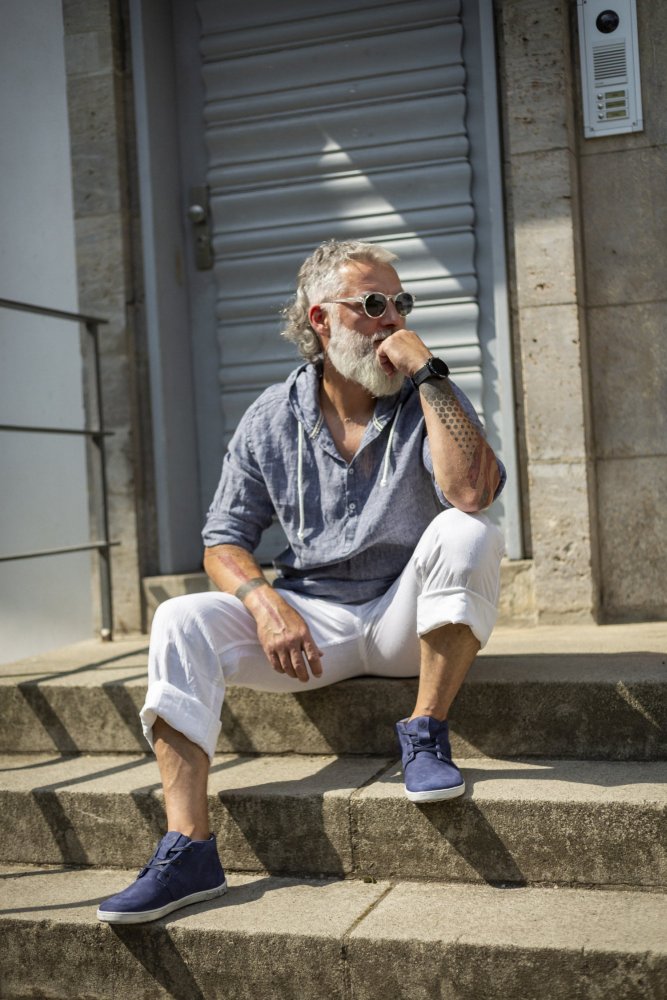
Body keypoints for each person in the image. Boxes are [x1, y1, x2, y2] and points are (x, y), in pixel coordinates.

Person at [97, 239, 506, 925]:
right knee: (178, 620)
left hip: (407, 618)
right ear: (320, 319)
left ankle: (425, 731)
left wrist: (429, 372)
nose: (391, 321)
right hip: (315, 627)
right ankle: (189, 847)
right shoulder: (269, 417)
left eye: (400, 304)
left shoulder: (425, 391)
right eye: (372, 305)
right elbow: (222, 538)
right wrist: (262, 602)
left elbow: (470, 492)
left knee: (467, 531)